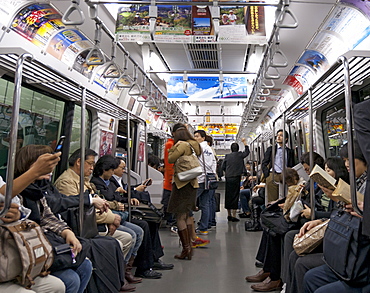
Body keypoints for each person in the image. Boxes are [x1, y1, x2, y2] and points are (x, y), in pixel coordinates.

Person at [53, 149, 136, 292]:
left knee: (131, 235)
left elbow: (99, 204)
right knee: (122, 240)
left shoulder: (84, 181)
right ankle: (110, 278)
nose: (92, 168)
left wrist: (110, 217)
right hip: (81, 228)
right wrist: (111, 218)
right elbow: (80, 212)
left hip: (94, 224)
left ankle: (116, 277)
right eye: (90, 164)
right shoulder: (67, 182)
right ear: (79, 162)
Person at [14, 145, 93, 293]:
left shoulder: (39, 189)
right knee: (70, 279)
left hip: (43, 243)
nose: (50, 170)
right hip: (26, 250)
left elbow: (47, 216)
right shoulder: (15, 192)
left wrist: (66, 232)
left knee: (85, 265)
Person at [304, 140, 370, 293]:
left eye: (349, 159)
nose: (346, 164)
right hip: (352, 242)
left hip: (360, 254)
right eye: (345, 160)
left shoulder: (364, 185)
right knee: (310, 277)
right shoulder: (356, 183)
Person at [0, 152, 64, 293]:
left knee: (58, 286)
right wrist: (34, 172)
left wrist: (17, 214)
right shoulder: (22, 184)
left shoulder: (41, 188)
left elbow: (17, 206)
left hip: (10, 251)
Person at [284, 157, 349, 293]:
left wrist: (317, 215)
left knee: (300, 260)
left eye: (328, 170)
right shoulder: (320, 187)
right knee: (292, 244)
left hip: (340, 245)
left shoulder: (345, 190)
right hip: (330, 230)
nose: (347, 164)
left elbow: (338, 215)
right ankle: (284, 283)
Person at [112, 158, 173, 277]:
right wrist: (135, 190)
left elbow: (125, 191)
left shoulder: (118, 180)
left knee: (152, 222)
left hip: (126, 209)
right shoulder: (108, 182)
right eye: (122, 168)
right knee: (144, 225)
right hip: (120, 212)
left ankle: (154, 258)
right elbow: (118, 196)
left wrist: (138, 187)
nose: (124, 171)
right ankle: (143, 267)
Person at [167, 123, 201, 260]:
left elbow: (170, 159)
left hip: (182, 184)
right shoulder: (194, 144)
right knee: (186, 215)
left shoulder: (182, 145)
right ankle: (189, 247)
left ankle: (186, 249)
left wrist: (174, 146)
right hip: (192, 183)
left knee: (179, 217)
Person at [193, 130, 217, 235]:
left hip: (200, 179)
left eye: (197, 136)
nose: (195, 138)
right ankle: (203, 228)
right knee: (205, 204)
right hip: (209, 179)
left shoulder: (197, 148)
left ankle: (185, 225)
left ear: (203, 137)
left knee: (189, 202)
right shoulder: (209, 149)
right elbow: (213, 163)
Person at [262, 129, 294, 203]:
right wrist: (267, 175)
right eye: (278, 135)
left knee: (286, 198)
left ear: (286, 139)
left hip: (285, 175)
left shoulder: (289, 151)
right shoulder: (271, 149)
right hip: (273, 175)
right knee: (272, 199)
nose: (278, 137)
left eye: (281, 136)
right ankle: (273, 213)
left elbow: (291, 164)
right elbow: (264, 163)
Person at [221, 138, 250, 221]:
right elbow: (247, 152)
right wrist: (245, 143)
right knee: (235, 195)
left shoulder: (227, 156)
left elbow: (223, 166)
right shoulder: (240, 155)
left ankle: (229, 214)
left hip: (228, 177)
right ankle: (233, 215)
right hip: (236, 177)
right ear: (238, 149)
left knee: (228, 195)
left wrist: (228, 172)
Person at [162, 130, 175, 227]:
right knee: (168, 202)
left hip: (172, 180)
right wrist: (171, 180)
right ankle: (170, 221)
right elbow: (170, 166)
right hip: (171, 181)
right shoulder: (171, 145)